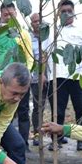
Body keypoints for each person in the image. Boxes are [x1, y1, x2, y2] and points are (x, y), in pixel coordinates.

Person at [44, 0, 82, 151]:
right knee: (57, 110)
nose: (66, 13)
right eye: (63, 11)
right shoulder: (51, 31)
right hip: (57, 77)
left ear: (74, 12)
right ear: (57, 13)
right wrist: (42, 74)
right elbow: (44, 54)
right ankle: (57, 139)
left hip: (79, 76)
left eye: (69, 10)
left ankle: (81, 139)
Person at [0, 3, 33, 150]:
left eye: (11, 14)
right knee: (3, 113)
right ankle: (1, 143)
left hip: (21, 82)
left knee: (23, 111)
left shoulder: (23, 33)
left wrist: (26, 74)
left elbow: (30, 57)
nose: (9, 17)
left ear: (16, 14)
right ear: (1, 15)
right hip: (3, 82)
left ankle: (24, 143)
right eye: (6, 14)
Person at [29, 13, 48, 147]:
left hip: (52, 76)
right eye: (34, 21)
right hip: (36, 77)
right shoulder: (28, 38)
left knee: (53, 106)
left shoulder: (49, 36)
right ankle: (37, 134)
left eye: (39, 21)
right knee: (38, 107)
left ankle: (56, 135)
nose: (37, 23)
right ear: (31, 24)